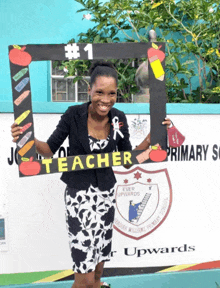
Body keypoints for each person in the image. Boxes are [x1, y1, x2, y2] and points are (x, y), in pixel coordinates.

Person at [11, 61, 171, 288]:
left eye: (112, 93)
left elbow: (127, 161)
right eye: (99, 92)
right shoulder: (73, 115)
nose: (105, 100)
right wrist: (26, 136)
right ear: (89, 91)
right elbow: (48, 150)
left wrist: (151, 138)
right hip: (79, 199)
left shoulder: (118, 118)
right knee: (83, 277)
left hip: (106, 196)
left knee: (96, 274)